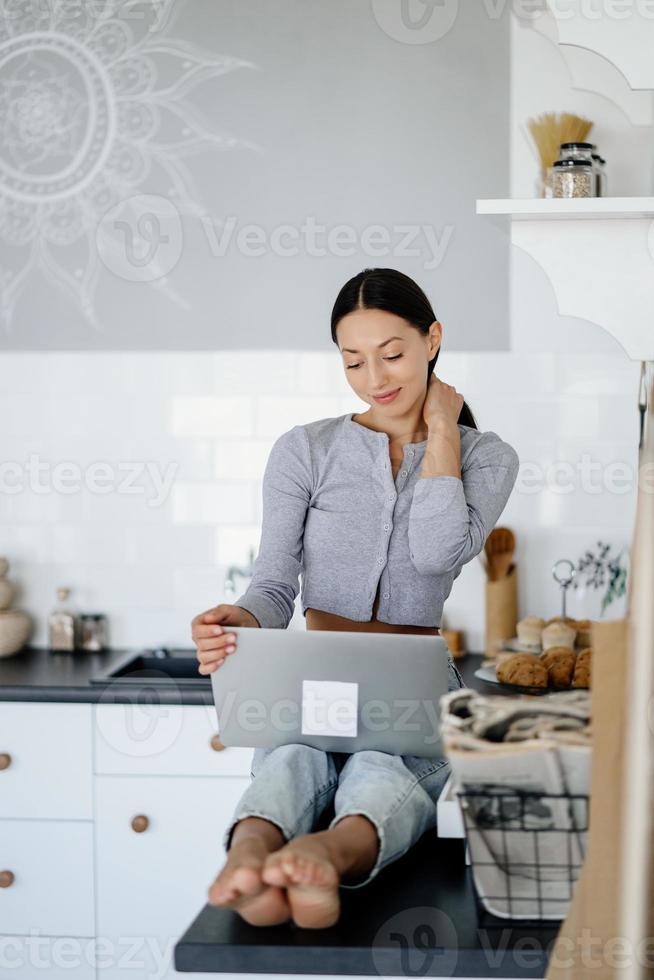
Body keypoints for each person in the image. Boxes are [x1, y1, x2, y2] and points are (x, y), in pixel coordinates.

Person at [191, 267, 520, 930]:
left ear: (433, 340)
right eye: (354, 362)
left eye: (393, 354)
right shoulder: (305, 450)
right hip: (314, 678)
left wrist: (443, 430)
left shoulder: (487, 458)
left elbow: (435, 553)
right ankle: (252, 851)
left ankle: (326, 855)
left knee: (381, 764)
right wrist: (241, 618)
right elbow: (276, 586)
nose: (376, 378)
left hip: (415, 683)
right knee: (291, 758)